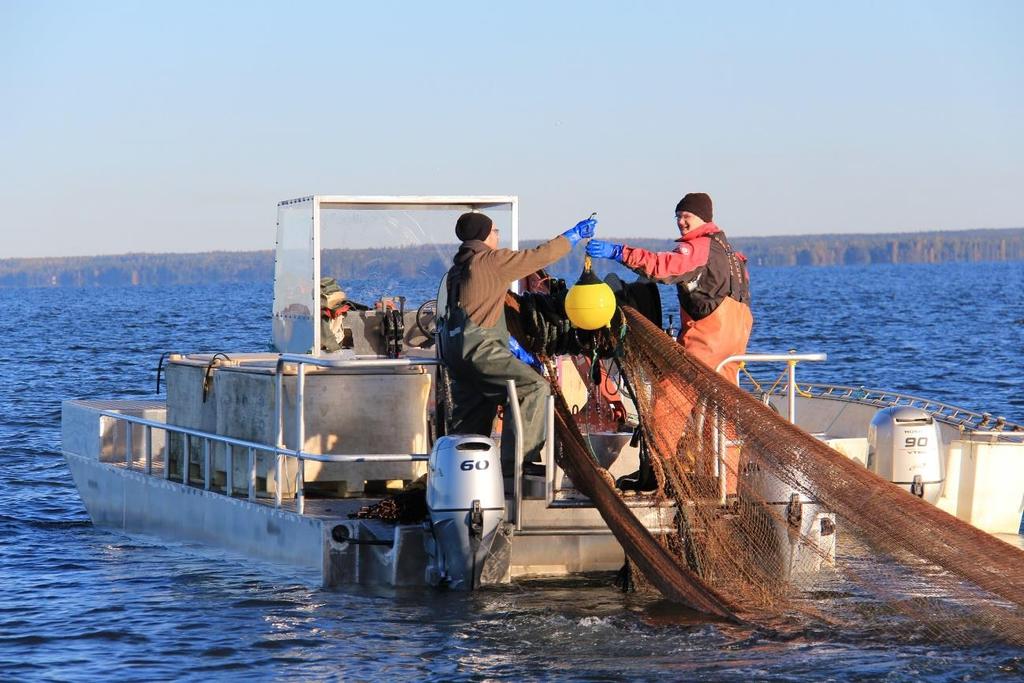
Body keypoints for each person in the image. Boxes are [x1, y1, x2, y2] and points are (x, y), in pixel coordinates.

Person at [586, 192, 752, 490]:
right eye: (678, 216)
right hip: (734, 342)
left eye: (686, 216)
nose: (681, 221)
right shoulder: (731, 255)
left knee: (669, 404)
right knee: (722, 414)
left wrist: (619, 252)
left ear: (704, 217)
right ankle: (726, 486)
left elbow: (663, 267)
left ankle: (655, 477)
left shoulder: (700, 247)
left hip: (708, 342)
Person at [438, 211, 597, 479]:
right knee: (533, 386)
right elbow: (538, 256)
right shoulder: (490, 261)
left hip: (456, 355)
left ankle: (458, 476)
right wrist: (572, 236)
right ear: (485, 236)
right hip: (480, 352)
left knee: (472, 417)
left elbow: (477, 311)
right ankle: (517, 466)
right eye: (496, 231)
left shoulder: (458, 268)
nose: (498, 236)